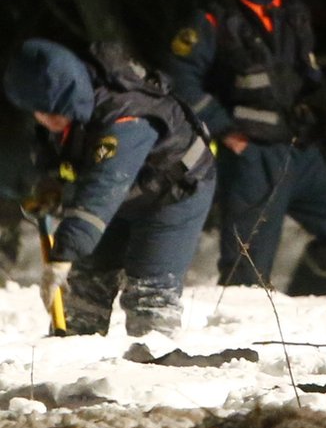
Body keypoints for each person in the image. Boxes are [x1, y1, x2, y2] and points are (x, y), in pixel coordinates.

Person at [166, 0, 326, 296]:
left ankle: (309, 302)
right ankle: (239, 345)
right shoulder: (215, 15)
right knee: (247, 267)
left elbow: (308, 76)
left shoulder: (292, 9)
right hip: (252, 153)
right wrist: (223, 128)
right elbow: (181, 77)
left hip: (301, 147)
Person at [3, 39, 216, 336]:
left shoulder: (126, 115)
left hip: (172, 193)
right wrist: (48, 186)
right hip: (120, 196)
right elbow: (49, 161)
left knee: (149, 297)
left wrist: (63, 256)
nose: (44, 119)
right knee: (83, 294)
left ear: (66, 95)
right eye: (37, 111)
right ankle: (74, 371)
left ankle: (154, 367)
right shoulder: (67, 105)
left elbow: (103, 186)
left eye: (49, 111)